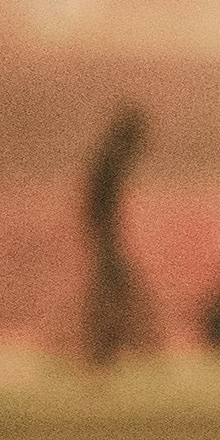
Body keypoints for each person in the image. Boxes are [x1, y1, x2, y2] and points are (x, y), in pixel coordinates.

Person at [76, 102, 155, 372]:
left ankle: (107, 349)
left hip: (104, 237)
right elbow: (100, 205)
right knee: (114, 295)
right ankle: (110, 348)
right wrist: (108, 241)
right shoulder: (112, 158)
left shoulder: (107, 157)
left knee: (110, 294)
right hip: (105, 238)